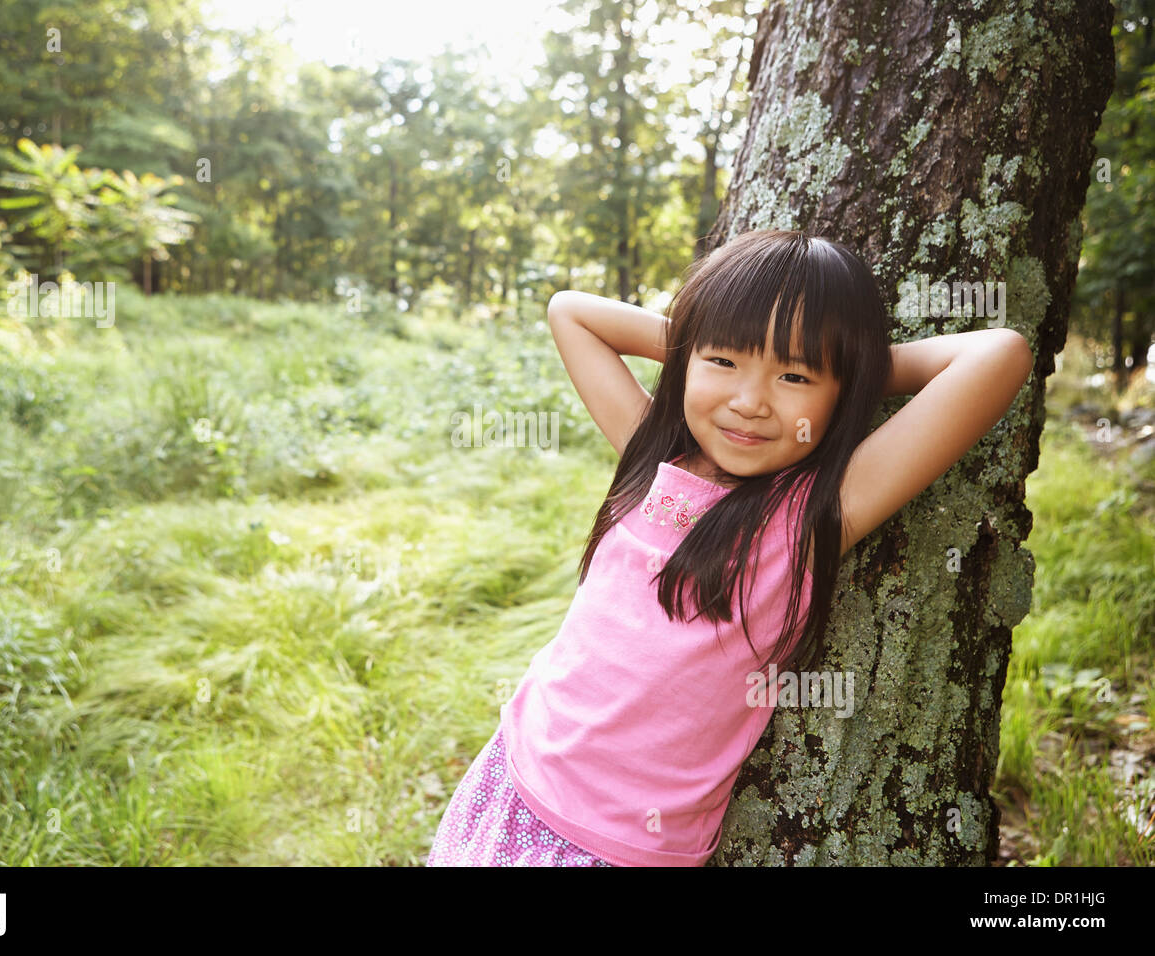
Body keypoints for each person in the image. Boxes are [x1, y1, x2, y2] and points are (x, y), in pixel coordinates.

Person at [425, 229, 1034, 867]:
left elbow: (1000, 355)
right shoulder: (651, 459)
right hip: (513, 771)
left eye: (795, 375)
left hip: (615, 847)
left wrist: (850, 371)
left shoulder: (808, 521)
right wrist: (706, 337)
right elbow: (571, 312)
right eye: (724, 362)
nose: (749, 402)